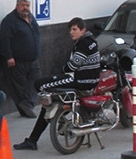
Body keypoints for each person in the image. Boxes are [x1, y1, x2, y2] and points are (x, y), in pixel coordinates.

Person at [14, 17, 101, 150]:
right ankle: (34, 138)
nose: (71, 32)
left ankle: (47, 125)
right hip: (85, 81)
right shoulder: (90, 42)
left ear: (83, 30)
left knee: (40, 84)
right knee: (47, 106)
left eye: (74, 29)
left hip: (80, 81)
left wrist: (64, 69)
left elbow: (72, 66)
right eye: (70, 30)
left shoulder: (84, 44)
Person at [0, 0, 42, 118]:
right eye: (23, 5)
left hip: (33, 59)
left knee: (36, 82)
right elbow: (4, 40)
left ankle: (26, 104)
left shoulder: (31, 18)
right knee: (19, 86)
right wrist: (9, 56)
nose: (25, 8)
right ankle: (25, 108)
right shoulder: (9, 21)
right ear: (17, 6)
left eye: (27, 5)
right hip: (18, 60)